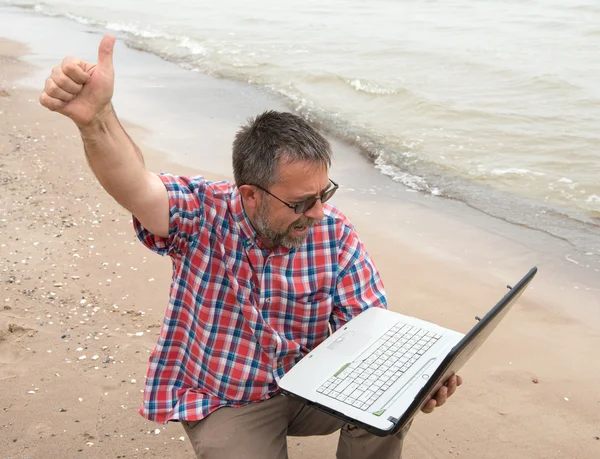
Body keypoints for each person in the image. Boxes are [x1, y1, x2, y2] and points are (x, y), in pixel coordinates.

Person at [40, 35, 462, 459]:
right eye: (300, 203)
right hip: (228, 397)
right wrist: (95, 119)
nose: (317, 213)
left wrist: (417, 379)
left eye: (324, 194)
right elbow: (136, 186)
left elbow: (369, 326)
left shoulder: (333, 232)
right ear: (250, 195)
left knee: (392, 409)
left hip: (309, 385)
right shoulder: (203, 213)